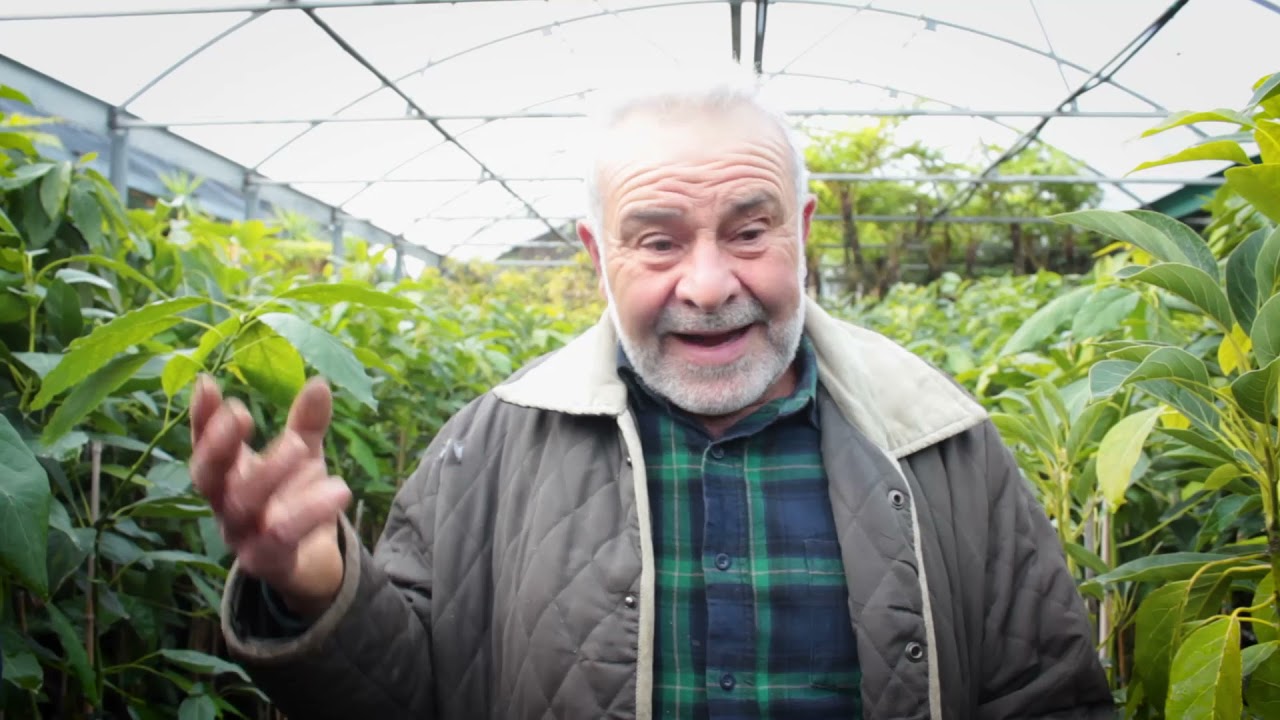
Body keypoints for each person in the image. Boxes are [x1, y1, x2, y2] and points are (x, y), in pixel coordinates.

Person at [190, 70, 1114, 719]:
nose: (709, 285)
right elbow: (410, 697)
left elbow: (1049, 697)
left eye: (749, 231)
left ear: (802, 232)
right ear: (598, 257)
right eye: (660, 241)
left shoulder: (940, 444)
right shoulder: (493, 448)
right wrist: (317, 590)